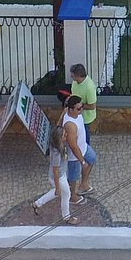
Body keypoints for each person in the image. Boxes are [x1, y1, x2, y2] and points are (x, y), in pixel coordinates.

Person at [33, 95, 85, 223]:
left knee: (59, 193)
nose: (66, 136)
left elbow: (57, 128)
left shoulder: (58, 143)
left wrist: (62, 115)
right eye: (64, 136)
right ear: (59, 138)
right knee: (65, 194)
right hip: (59, 177)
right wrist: (57, 186)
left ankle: (37, 203)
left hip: (62, 174)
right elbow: (55, 171)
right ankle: (67, 217)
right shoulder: (56, 152)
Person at [68, 62, 99, 194]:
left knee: (84, 144)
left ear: (78, 76)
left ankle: (83, 165)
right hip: (77, 117)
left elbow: (92, 106)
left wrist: (79, 107)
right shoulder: (75, 83)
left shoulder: (89, 87)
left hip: (85, 119)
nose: (71, 77)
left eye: (73, 75)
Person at [59, 93, 90, 203]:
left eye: (82, 107)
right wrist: (82, 161)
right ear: (71, 110)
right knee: (73, 177)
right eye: (78, 108)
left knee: (92, 159)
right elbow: (73, 146)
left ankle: (84, 185)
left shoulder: (77, 114)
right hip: (74, 156)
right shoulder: (70, 125)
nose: (81, 110)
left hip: (84, 147)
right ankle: (72, 196)